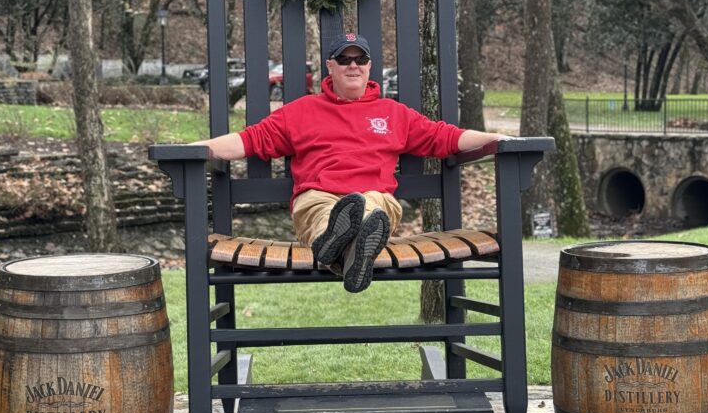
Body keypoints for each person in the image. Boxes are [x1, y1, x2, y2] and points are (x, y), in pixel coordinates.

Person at [196, 34, 508, 293]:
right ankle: (347, 244)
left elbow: (445, 138)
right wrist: (193, 149)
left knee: (372, 206)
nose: (353, 65)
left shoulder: (393, 113)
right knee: (326, 212)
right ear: (329, 66)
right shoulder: (301, 111)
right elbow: (249, 140)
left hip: (376, 197)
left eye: (360, 59)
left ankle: (346, 245)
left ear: (370, 66)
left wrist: (497, 138)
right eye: (344, 59)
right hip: (318, 196)